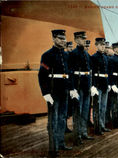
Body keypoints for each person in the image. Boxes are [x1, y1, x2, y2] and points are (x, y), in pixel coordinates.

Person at [38, 29, 74, 157]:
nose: (63, 41)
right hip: (53, 92)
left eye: (64, 38)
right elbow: (42, 75)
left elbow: (69, 74)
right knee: (53, 120)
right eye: (60, 38)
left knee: (62, 118)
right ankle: (52, 149)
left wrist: (72, 88)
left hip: (64, 91)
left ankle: (60, 143)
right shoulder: (47, 55)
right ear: (53, 39)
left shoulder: (66, 55)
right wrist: (46, 93)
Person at [69, 31, 94, 146]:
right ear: (76, 40)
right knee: (77, 112)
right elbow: (70, 72)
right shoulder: (73, 54)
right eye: (82, 38)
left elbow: (89, 71)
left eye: (85, 38)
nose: (84, 40)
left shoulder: (86, 54)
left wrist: (91, 86)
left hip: (86, 86)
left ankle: (84, 133)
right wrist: (72, 88)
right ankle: (77, 136)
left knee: (85, 111)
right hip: (78, 86)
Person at [91, 38, 111, 135]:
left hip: (105, 84)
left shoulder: (106, 57)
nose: (103, 46)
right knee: (97, 108)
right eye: (101, 45)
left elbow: (108, 72)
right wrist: (93, 85)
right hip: (97, 84)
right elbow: (92, 73)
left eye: (104, 45)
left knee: (103, 107)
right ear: (96, 45)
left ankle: (102, 125)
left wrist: (109, 84)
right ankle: (97, 127)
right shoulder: (93, 57)